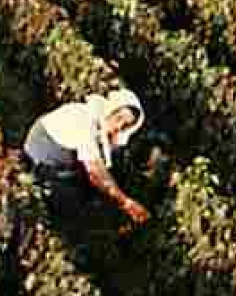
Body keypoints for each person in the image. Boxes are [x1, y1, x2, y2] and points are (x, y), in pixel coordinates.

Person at [22, 88, 149, 248]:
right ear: (111, 110)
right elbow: (95, 171)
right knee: (72, 206)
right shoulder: (86, 120)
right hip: (43, 152)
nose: (119, 126)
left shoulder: (104, 134)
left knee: (93, 192)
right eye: (119, 118)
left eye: (125, 125)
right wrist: (125, 202)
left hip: (66, 162)